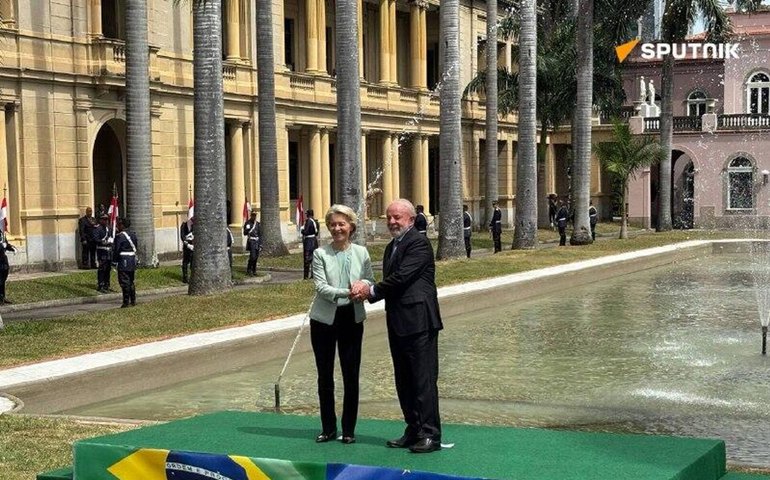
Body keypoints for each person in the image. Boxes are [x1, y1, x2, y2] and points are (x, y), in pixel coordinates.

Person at [351, 199, 443, 454]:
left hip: (420, 323)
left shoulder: (419, 243)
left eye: (397, 218)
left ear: (411, 220)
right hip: (399, 321)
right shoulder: (392, 246)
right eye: (389, 217)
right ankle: (413, 429)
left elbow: (401, 278)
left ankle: (430, 435)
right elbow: (393, 281)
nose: (392, 222)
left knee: (423, 380)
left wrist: (369, 291)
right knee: (404, 380)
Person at [308, 204, 375, 445]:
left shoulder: (362, 252)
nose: (337, 228)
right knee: (325, 375)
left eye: (341, 224)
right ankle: (328, 428)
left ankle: (348, 430)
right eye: (333, 224)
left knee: (351, 374)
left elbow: (370, 279)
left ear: (351, 227)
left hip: (351, 319)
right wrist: (350, 292)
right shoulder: (320, 254)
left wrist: (363, 286)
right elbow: (321, 288)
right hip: (324, 321)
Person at [112, 217, 138, 308]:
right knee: (131, 281)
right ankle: (133, 300)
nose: (118, 226)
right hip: (132, 260)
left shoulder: (120, 236)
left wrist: (114, 261)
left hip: (124, 260)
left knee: (124, 282)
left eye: (119, 224)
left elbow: (116, 250)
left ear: (122, 225)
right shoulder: (133, 235)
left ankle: (126, 302)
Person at [93, 213, 113, 293]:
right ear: (100, 220)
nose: (106, 221)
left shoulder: (109, 228)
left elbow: (111, 236)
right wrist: (102, 242)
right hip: (102, 251)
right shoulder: (98, 229)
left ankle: (107, 285)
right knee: (102, 269)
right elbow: (95, 239)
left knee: (108, 269)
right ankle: (100, 285)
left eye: (106, 219)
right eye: (104, 219)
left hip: (108, 251)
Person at [301, 209, 320, 279]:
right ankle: (313, 275)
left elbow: (305, 232)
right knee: (314, 259)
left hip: (308, 241)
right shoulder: (316, 222)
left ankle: (305, 276)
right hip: (314, 241)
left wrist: (302, 230)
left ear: (308, 214)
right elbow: (317, 232)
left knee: (307, 259)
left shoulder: (308, 221)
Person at [0, 229, 17, 304]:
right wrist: (1, 246)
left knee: (3, 279)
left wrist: (11, 248)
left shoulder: (2, 232)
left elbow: (5, 243)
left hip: (3, 260)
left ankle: (2, 297)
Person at [243, 208, 262, 276]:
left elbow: (260, 234)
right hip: (251, 241)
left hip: (257, 242)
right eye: (253, 215)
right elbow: (244, 233)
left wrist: (261, 244)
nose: (254, 216)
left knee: (256, 257)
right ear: (251, 215)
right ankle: (249, 269)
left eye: (255, 215)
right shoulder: (248, 223)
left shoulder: (257, 224)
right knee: (252, 256)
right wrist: (248, 229)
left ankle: (254, 270)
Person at [180, 217, 194, 283]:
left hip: (194, 246)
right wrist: (187, 244)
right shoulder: (184, 225)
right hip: (187, 247)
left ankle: (192, 277)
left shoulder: (196, 225)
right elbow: (182, 236)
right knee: (185, 262)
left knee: (193, 262)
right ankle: (185, 277)